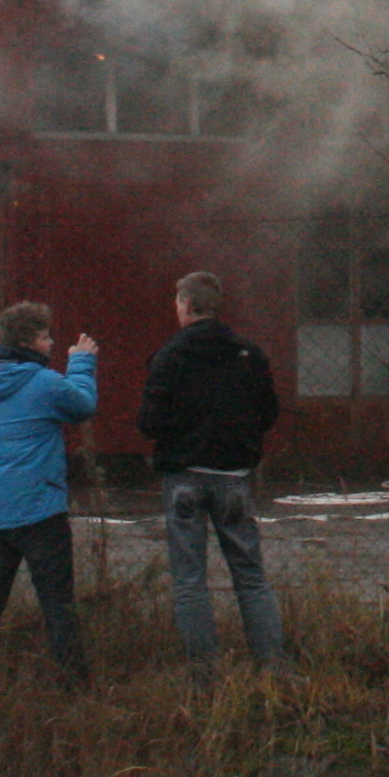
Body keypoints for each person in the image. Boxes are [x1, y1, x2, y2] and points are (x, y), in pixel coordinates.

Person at [138, 271, 289, 682]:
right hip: (234, 477)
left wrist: (183, 434)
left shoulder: (170, 356)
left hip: (183, 477)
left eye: (177, 302)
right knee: (251, 576)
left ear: (186, 305)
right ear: (216, 305)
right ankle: (272, 668)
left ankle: (205, 675)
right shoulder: (247, 353)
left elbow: (149, 422)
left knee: (190, 580)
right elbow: (269, 412)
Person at [0, 301, 100, 677]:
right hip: (39, 513)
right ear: (26, 343)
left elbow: (0, 367)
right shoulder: (44, 383)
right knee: (58, 606)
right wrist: (82, 362)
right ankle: (73, 684)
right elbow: (83, 405)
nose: (52, 343)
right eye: (44, 336)